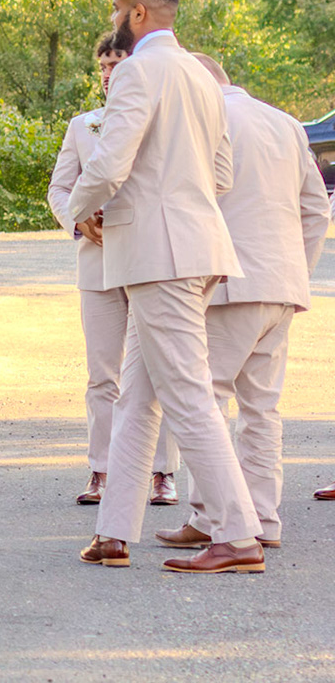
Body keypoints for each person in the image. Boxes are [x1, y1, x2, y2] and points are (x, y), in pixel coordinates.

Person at [68, 0, 264, 574]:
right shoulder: (203, 78)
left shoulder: (138, 71)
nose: (113, 21)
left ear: (138, 13)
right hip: (193, 248)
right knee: (138, 396)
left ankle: (238, 536)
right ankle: (113, 533)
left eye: (116, 10)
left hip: (160, 256)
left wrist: (81, 208)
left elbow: (110, 162)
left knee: (186, 393)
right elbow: (222, 174)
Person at [153, 54, 329, 551]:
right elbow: (316, 209)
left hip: (225, 284)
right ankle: (264, 519)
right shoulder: (286, 124)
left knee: (204, 401)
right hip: (282, 287)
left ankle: (214, 519)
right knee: (262, 409)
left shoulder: (203, 119)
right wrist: (297, 272)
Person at [48, 32, 183, 508]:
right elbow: (60, 189)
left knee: (159, 369)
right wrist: (79, 220)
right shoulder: (81, 126)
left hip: (148, 258)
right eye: (102, 66)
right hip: (98, 264)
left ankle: (162, 472)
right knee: (102, 374)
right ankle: (101, 470)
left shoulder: (159, 121)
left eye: (116, 63)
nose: (108, 74)